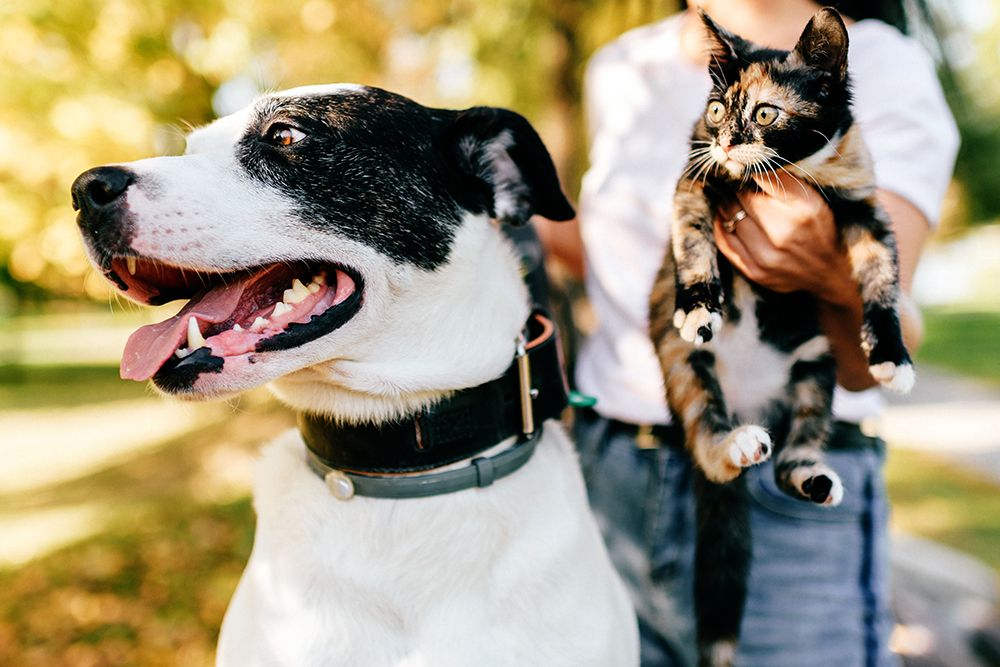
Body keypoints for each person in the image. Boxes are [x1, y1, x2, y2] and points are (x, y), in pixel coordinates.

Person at [535, 0, 959, 665]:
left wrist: (827, 268)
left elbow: (860, 357)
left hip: (785, 484)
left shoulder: (885, 66)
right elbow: (611, 254)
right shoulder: (621, 67)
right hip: (607, 472)